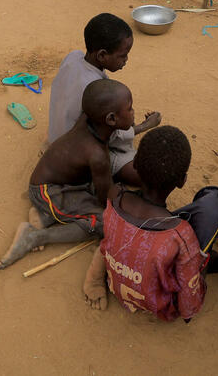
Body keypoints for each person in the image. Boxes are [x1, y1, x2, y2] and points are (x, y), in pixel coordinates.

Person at [0, 79, 134, 269]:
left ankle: (47, 216)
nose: (133, 112)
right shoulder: (97, 156)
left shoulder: (88, 120)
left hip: (60, 184)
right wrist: (125, 203)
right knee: (102, 222)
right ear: (111, 120)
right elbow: (105, 198)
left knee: (101, 192)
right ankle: (34, 237)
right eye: (130, 109)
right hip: (48, 192)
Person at [83, 125, 207, 322]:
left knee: (110, 237)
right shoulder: (180, 234)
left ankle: (96, 276)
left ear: (135, 165)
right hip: (156, 306)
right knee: (199, 253)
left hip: (116, 284)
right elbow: (188, 306)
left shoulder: (115, 196)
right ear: (182, 181)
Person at [48, 13, 161, 187]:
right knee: (143, 173)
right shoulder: (96, 91)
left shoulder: (73, 57)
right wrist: (146, 126)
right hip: (74, 155)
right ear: (102, 56)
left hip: (55, 140)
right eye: (123, 55)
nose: (126, 60)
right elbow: (113, 137)